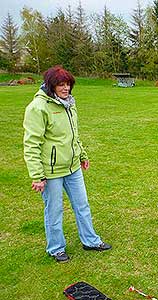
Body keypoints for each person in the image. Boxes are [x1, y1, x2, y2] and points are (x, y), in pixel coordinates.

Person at [23, 66, 111, 263]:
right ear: (50, 85)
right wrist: (37, 175)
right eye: (60, 84)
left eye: (68, 84)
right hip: (51, 171)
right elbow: (31, 143)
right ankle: (56, 248)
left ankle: (90, 241)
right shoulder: (38, 107)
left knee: (82, 205)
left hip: (72, 167)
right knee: (54, 211)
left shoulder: (70, 103)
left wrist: (82, 155)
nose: (65, 88)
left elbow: (73, 134)